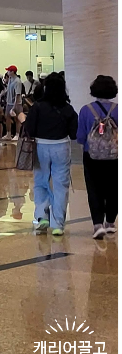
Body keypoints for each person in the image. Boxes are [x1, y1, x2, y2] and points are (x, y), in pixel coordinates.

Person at [23, 72, 78, 236]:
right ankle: (58, 224)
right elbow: (74, 133)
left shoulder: (38, 107)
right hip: (61, 146)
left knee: (40, 182)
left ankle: (41, 217)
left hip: (40, 147)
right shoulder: (68, 109)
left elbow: (30, 129)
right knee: (60, 185)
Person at [76, 75, 118, 239]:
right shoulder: (118, 109)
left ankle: (97, 224)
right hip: (115, 156)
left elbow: (80, 137)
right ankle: (110, 222)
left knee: (94, 189)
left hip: (91, 156)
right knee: (114, 188)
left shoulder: (86, 110)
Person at [0, 65, 23, 144]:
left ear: (12, 72)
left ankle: (17, 134)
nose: (7, 72)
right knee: (7, 118)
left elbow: (18, 94)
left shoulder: (17, 81)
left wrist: (14, 106)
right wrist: (0, 95)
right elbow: (7, 89)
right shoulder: (10, 79)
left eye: (9, 71)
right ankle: (8, 133)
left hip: (16, 103)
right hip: (9, 102)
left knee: (17, 119)